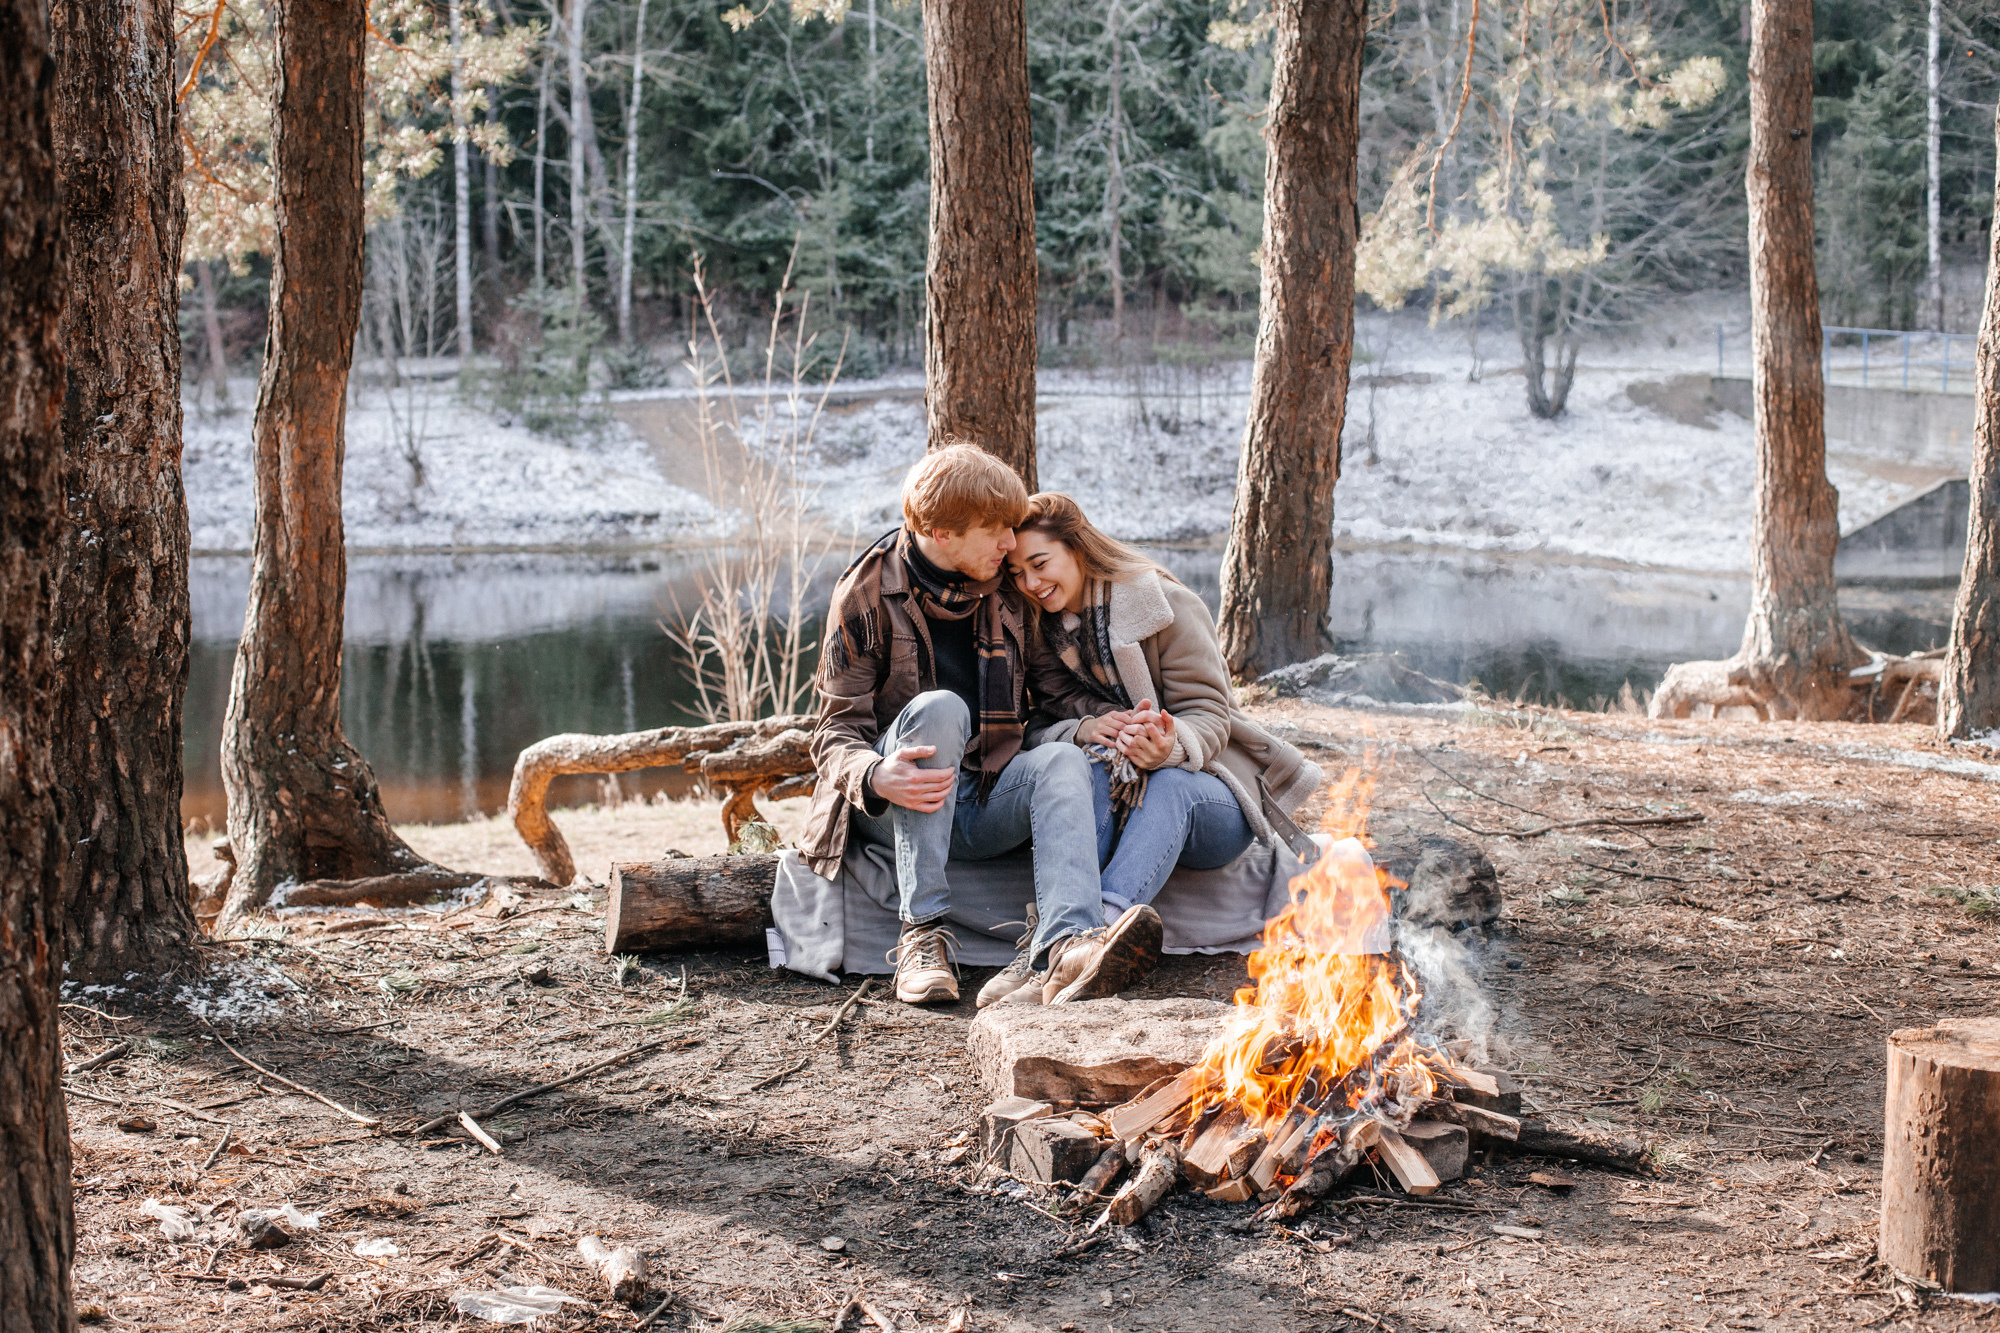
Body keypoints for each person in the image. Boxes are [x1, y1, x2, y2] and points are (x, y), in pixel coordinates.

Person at [799, 446, 1164, 1007]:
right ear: (941, 532)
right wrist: (875, 775)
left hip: (985, 793)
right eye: (994, 530)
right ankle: (922, 936)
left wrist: (1096, 723)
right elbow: (832, 732)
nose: (1010, 544)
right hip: (895, 804)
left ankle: (1066, 946)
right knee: (940, 708)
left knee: (1063, 759)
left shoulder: (1005, 591)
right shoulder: (865, 594)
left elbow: (1052, 688)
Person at [1005, 491, 1324, 929]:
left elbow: (1211, 713)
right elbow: (1042, 718)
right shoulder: (1045, 631)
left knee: (1170, 784)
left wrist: (1168, 747)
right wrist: (1086, 729)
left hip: (1210, 794)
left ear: (1077, 547)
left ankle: (1096, 931)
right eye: (1017, 573)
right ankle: (1062, 938)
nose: (1030, 583)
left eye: (1039, 564)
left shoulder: (1164, 606)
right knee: (1083, 770)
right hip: (1119, 796)